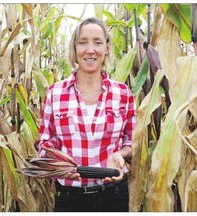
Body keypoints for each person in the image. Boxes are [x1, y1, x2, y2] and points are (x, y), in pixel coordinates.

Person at [35, 17, 136, 212]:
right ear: (74, 48)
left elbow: (132, 141)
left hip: (114, 194)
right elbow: (45, 143)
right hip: (69, 196)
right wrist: (60, 163)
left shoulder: (123, 93)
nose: (90, 50)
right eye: (83, 42)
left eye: (97, 42)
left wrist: (119, 155)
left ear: (106, 48)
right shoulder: (55, 93)